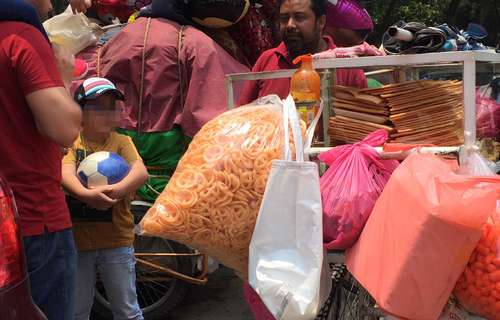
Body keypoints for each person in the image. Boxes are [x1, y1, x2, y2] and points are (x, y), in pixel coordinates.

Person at [0, 0, 82, 319]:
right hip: (32, 220)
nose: (50, 4)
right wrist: (63, 78)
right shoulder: (20, 36)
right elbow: (63, 128)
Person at [62, 77, 148, 320]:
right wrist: (86, 195)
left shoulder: (121, 142)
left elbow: (140, 172)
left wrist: (117, 191)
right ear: (80, 111)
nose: (106, 114)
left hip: (116, 241)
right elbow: (64, 173)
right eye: (98, 107)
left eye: (112, 107)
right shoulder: (72, 142)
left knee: (127, 310)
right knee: (77, 311)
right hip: (78, 243)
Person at [238, 0, 367, 106]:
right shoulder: (267, 61)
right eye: (284, 18)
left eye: (299, 17)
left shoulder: (348, 68)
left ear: (321, 22)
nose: (289, 25)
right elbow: (241, 116)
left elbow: (365, 128)